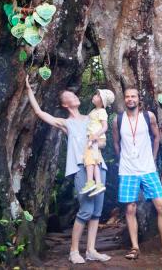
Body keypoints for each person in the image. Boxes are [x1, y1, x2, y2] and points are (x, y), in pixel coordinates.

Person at [24, 77, 111, 264]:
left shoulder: (91, 117)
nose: (75, 96)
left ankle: (91, 250)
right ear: (65, 104)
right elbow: (39, 112)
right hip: (81, 168)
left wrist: (98, 140)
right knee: (86, 209)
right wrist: (29, 90)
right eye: (70, 95)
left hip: (99, 165)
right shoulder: (66, 123)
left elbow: (103, 141)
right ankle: (73, 251)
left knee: (97, 210)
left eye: (74, 93)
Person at [112, 87, 162, 261]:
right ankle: (135, 247)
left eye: (133, 96)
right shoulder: (118, 120)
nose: (130, 99)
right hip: (128, 170)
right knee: (130, 209)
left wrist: (152, 158)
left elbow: (157, 137)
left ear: (138, 99)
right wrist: (123, 160)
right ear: (124, 100)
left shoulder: (148, 117)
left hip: (148, 169)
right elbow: (116, 143)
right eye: (127, 97)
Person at [80, 89, 115, 197]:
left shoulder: (102, 111)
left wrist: (96, 135)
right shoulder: (94, 111)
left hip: (96, 138)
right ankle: (99, 184)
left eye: (98, 96)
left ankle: (90, 181)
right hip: (93, 138)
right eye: (96, 94)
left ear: (102, 101)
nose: (94, 96)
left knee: (89, 157)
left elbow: (105, 126)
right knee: (95, 159)